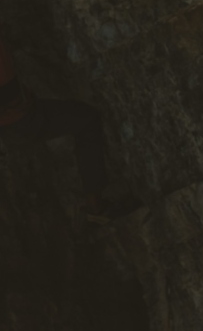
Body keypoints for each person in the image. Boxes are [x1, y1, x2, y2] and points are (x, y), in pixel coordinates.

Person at [0, 29, 119, 219]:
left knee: (81, 118)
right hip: (22, 119)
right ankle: (96, 206)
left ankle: (95, 206)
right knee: (86, 119)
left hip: (15, 121)